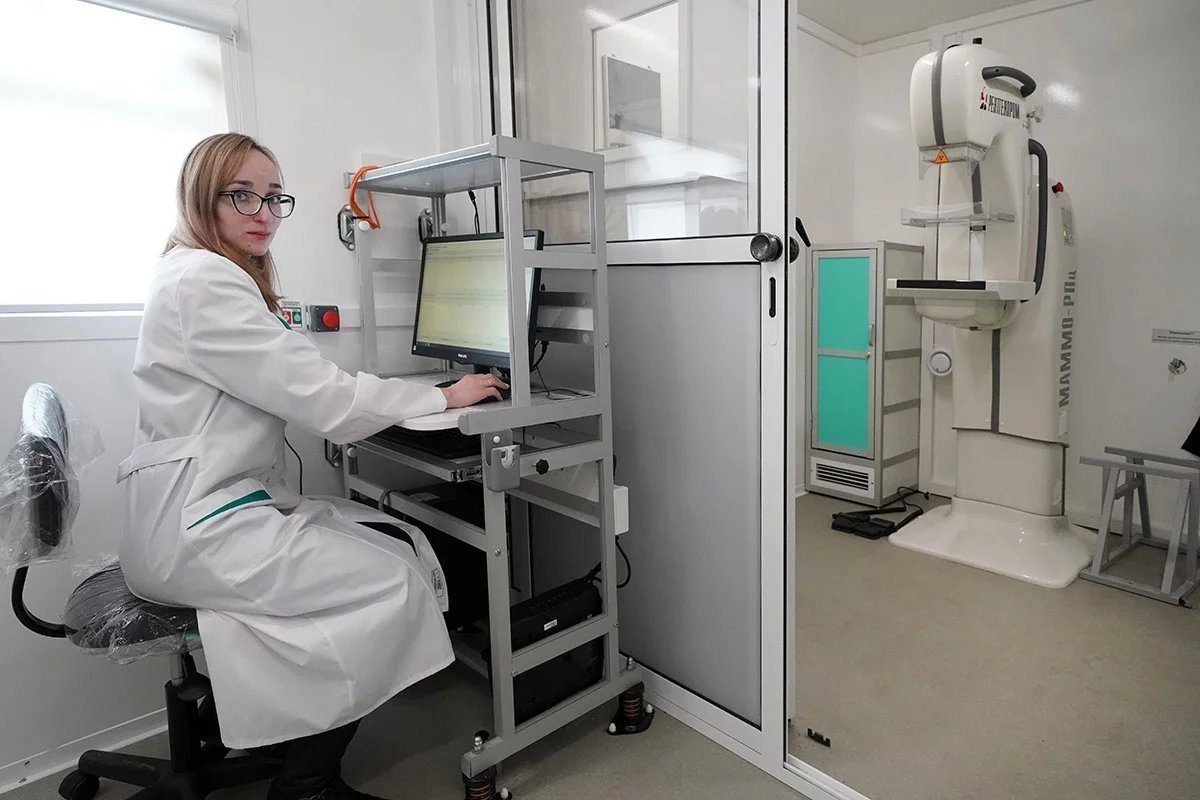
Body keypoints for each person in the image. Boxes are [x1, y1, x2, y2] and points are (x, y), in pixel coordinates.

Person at [116, 133, 506, 800]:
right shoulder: (205, 280)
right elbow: (324, 399)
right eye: (241, 195)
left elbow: (294, 380)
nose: (263, 211)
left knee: (390, 542)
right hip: (197, 529)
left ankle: (282, 740)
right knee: (395, 578)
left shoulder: (195, 273)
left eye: (274, 196)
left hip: (197, 509)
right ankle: (306, 783)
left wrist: (401, 395)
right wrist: (443, 395)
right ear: (201, 196)